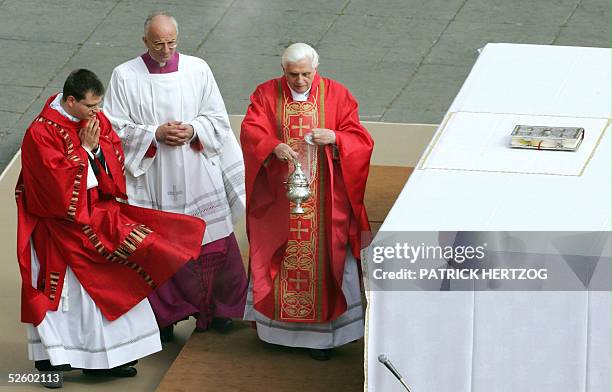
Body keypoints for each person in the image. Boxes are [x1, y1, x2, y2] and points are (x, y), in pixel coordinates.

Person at [15, 68, 206, 387]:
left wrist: (97, 151)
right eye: (91, 106)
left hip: (96, 216)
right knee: (62, 299)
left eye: (99, 105)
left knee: (119, 275)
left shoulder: (93, 120)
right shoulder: (40, 133)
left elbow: (113, 154)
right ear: (71, 101)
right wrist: (86, 152)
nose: (97, 113)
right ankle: (51, 362)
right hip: (58, 228)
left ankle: (103, 361)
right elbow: (51, 188)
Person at [104, 12, 247, 339]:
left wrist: (194, 128)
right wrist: (154, 134)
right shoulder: (125, 76)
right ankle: (164, 318)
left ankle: (218, 311)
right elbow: (113, 129)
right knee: (158, 248)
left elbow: (217, 119)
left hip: (196, 168)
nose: (166, 49)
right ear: (145, 42)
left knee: (211, 242)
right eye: (158, 44)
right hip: (154, 175)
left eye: (171, 42)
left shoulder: (198, 69)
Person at [241, 43, 374, 360]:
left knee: (326, 262)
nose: (300, 81)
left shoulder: (337, 94)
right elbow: (251, 130)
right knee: (279, 256)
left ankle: (321, 340)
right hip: (280, 198)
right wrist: (272, 145)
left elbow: (360, 139)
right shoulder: (266, 93)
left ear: (316, 68)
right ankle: (276, 331)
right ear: (282, 69)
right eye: (293, 74)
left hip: (326, 201)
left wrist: (337, 138)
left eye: (306, 74)